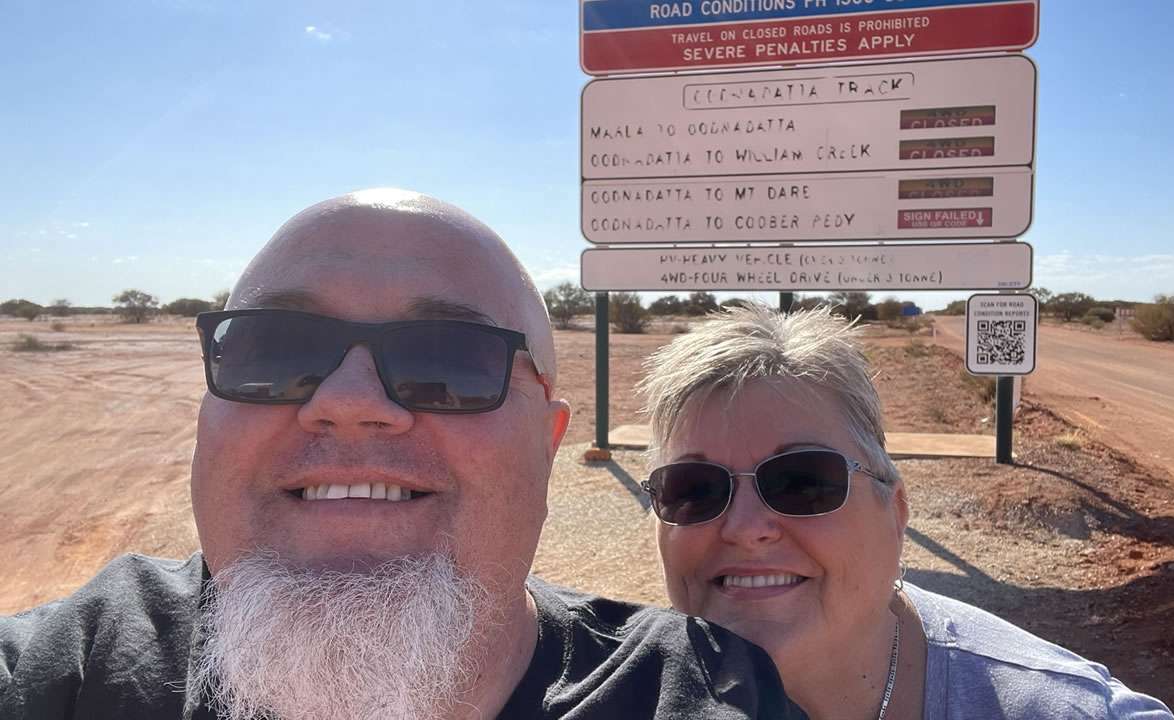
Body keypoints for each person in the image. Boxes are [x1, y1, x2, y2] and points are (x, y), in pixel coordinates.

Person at [0, 190, 806, 720]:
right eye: (276, 352)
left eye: (448, 361)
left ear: (548, 446)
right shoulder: (72, 671)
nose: (349, 401)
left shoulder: (707, 695)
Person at [638, 304, 1174, 720]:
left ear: (894, 513)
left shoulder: (1065, 709)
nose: (746, 528)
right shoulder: (603, 692)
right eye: (695, 488)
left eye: (802, 482)